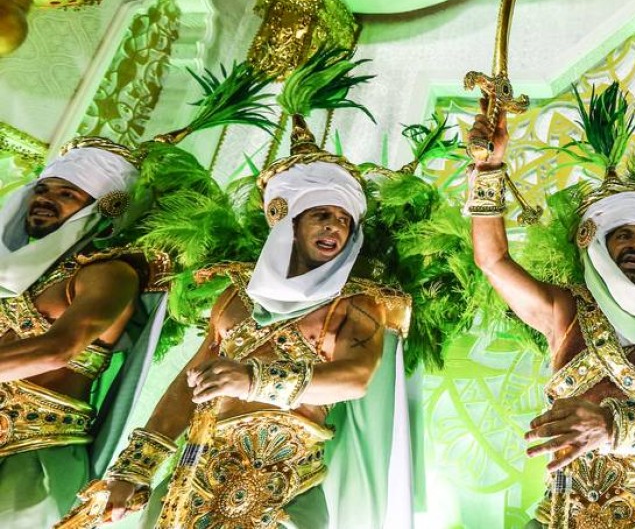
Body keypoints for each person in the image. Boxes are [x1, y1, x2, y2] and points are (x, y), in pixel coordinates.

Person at [87, 146, 405, 528]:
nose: (333, 226)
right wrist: (135, 470)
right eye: (320, 214)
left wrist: (252, 381)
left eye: (343, 220)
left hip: (288, 483)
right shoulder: (236, 296)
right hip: (195, 473)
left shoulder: (358, 304)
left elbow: (354, 379)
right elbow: (190, 384)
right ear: (290, 223)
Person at [468, 106, 635, 529]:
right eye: (623, 235)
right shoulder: (565, 312)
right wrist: (488, 169)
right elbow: (493, 260)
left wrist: (607, 425)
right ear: (598, 246)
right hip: (560, 510)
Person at [0, 137, 153, 527]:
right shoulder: (17, 272)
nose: (45, 199)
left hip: (36, 454)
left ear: (105, 207)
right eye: (43, 189)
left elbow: (59, 348)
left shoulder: (109, 273)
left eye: (68, 193)